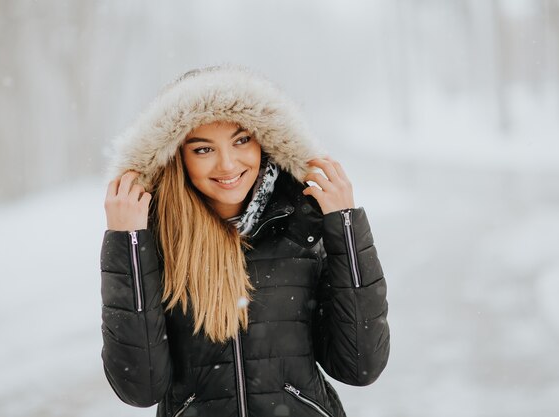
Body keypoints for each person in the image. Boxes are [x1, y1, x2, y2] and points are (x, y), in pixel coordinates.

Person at [100, 65, 390, 417]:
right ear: (178, 157)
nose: (227, 164)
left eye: (241, 140)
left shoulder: (302, 226)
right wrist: (127, 244)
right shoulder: (157, 242)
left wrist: (345, 227)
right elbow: (140, 387)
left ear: (265, 142)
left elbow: (360, 365)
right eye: (203, 149)